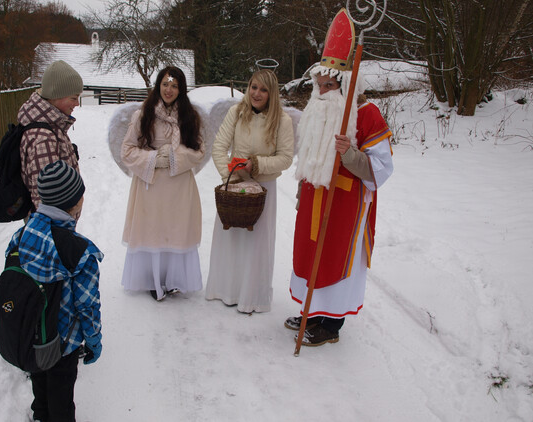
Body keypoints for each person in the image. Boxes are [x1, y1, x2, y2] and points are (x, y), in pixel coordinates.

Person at [286, 9, 394, 346]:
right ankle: (311, 312)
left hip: (344, 204)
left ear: (345, 84)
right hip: (315, 200)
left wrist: (349, 152)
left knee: (336, 258)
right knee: (309, 255)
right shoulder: (318, 110)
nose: (321, 91)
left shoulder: (365, 114)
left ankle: (330, 327)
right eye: (319, 84)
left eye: (329, 85)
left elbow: (382, 169)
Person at [6, 160, 104, 421]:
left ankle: (39, 415)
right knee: (62, 397)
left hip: (32, 335)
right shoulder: (80, 252)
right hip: (64, 345)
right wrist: (94, 342)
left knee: (40, 383)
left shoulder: (19, 237)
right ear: (75, 203)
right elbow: (87, 306)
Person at [205, 69, 294, 313]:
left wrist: (256, 165)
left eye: (263, 89)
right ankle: (227, 290)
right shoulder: (236, 113)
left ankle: (251, 297)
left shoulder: (282, 121)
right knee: (231, 238)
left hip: (263, 190)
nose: (257, 93)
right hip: (234, 189)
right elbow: (219, 147)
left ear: (271, 93)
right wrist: (229, 180)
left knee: (256, 244)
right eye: (254, 87)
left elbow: (285, 158)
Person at [120, 66, 204, 301]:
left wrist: (176, 158)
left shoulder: (189, 116)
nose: (169, 89)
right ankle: (153, 279)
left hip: (179, 185)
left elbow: (200, 151)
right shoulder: (142, 115)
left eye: (175, 85)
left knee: (176, 230)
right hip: (152, 184)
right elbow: (126, 151)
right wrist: (153, 158)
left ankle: (173, 278)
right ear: (158, 85)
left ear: (181, 89)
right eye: (165, 84)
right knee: (154, 230)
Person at [18, 60, 82, 212]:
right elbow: (45, 202)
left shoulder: (52, 126)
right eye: (73, 98)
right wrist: (63, 232)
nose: (77, 103)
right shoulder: (43, 138)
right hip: (54, 227)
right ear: (55, 96)